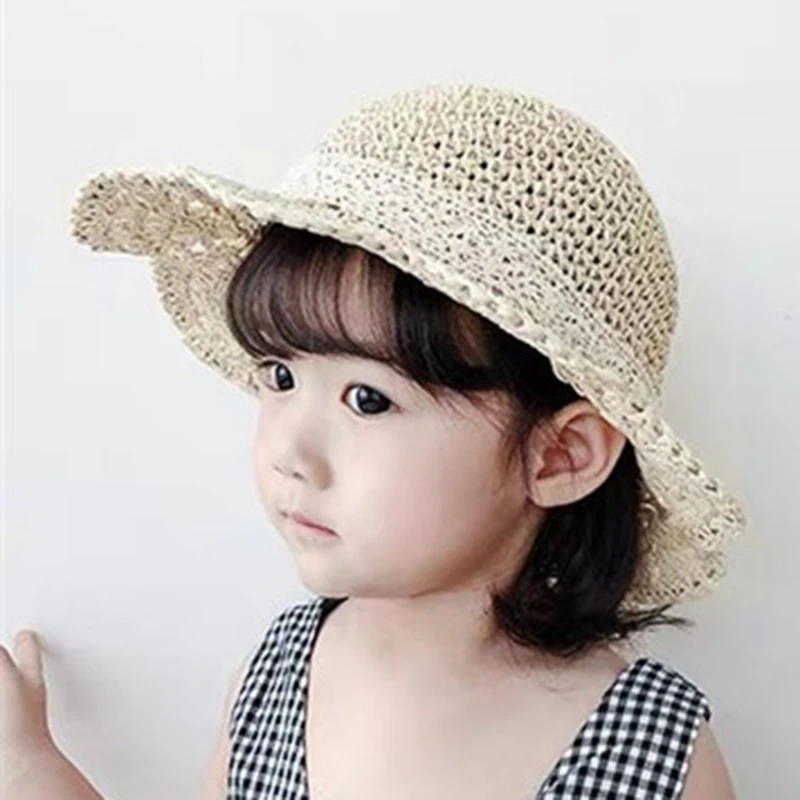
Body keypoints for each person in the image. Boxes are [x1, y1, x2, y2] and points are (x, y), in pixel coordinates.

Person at [2, 83, 745, 799]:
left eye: (368, 400)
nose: (292, 453)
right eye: (280, 376)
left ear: (559, 455)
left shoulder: (652, 756)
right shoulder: (277, 676)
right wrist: (28, 770)